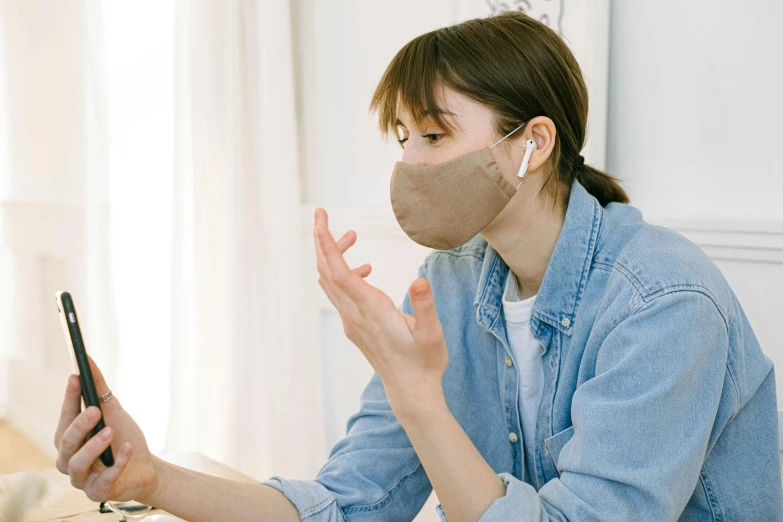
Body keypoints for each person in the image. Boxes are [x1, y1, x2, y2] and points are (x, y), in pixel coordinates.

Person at [53, 11, 782, 522]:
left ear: (532, 144)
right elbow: (351, 502)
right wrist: (152, 480)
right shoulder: (453, 282)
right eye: (401, 136)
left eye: (433, 134)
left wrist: (417, 395)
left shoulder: (662, 301)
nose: (407, 162)